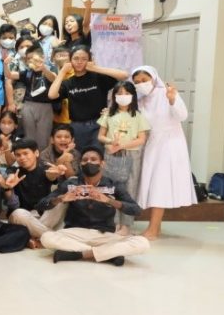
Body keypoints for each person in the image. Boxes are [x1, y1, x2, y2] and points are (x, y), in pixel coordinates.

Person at [39, 146, 151, 266]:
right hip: (75, 233)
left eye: (93, 159)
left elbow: (136, 210)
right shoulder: (71, 183)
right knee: (46, 237)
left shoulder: (113, 185)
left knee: (142, 243)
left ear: (102, 163)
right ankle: (108, 255)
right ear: (80, 164)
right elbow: (41, 205)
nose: (89, 162)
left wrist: (108, 200)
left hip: (104, 235)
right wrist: (61, 198)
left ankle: (80, 254)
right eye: (85, 160)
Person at [130, 65, 197, 240]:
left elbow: (182, 116)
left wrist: (173, 99)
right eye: (137, 82)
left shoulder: (166, 93)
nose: (141, 84)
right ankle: (155, 227)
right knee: (153, 185)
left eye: (144, 80)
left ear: (153, 78)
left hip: (169, 144)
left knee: (160, 185)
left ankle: (153, 229)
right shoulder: (140, 100)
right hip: (152, 144)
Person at [47, 46, 128, 151]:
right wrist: (62, 72)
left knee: (97, 155)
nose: (79, 62)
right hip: (77, 126)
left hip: (99, 124)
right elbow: (52, 95)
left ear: (89, 60)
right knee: (79, 156)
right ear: (70, 61)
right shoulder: (68, 83)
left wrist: (95, 68)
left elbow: (124, 75)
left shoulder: (98, 78)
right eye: (76, 58)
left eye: (84, 59)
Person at [96, 81, 150, 234]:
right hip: (112, 154)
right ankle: (112, 223)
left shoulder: (138, 116)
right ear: (114, 96)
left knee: (129, 189)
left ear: (133, 96)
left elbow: (141, 139)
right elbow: (101, 136)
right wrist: (111, 142)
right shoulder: (108, 114)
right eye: (119, 93)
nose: (123, 96)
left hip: (132, 155)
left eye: (127, 93)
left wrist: (122, 145)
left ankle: (126, 225)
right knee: (111, 188)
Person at [6, 138, 68, 246]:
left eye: (26, 153)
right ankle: (54, 237)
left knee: (62, 200)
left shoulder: (45, 168)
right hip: (24, 217)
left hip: (45, 216)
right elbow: (10, 175)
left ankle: (37, 236)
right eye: (18, 155)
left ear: (36, 153)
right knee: (18, 213)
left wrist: (56, 173)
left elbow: (50, 175)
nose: (22, 157)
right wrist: (10, 182)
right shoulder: (14, 171)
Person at [17, 45, 57, 152]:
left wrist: (43, 68)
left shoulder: (51, 68)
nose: (31, 61)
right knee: (29, 137)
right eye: (28, 59)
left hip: (46, 106)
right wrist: (6, 65)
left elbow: (53, 79)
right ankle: (30, 157)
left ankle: (42, 159)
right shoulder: (27, 72)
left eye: (34, 58)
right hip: (29, 104)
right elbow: (11, 75)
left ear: (42, 57)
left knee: (43, 138)